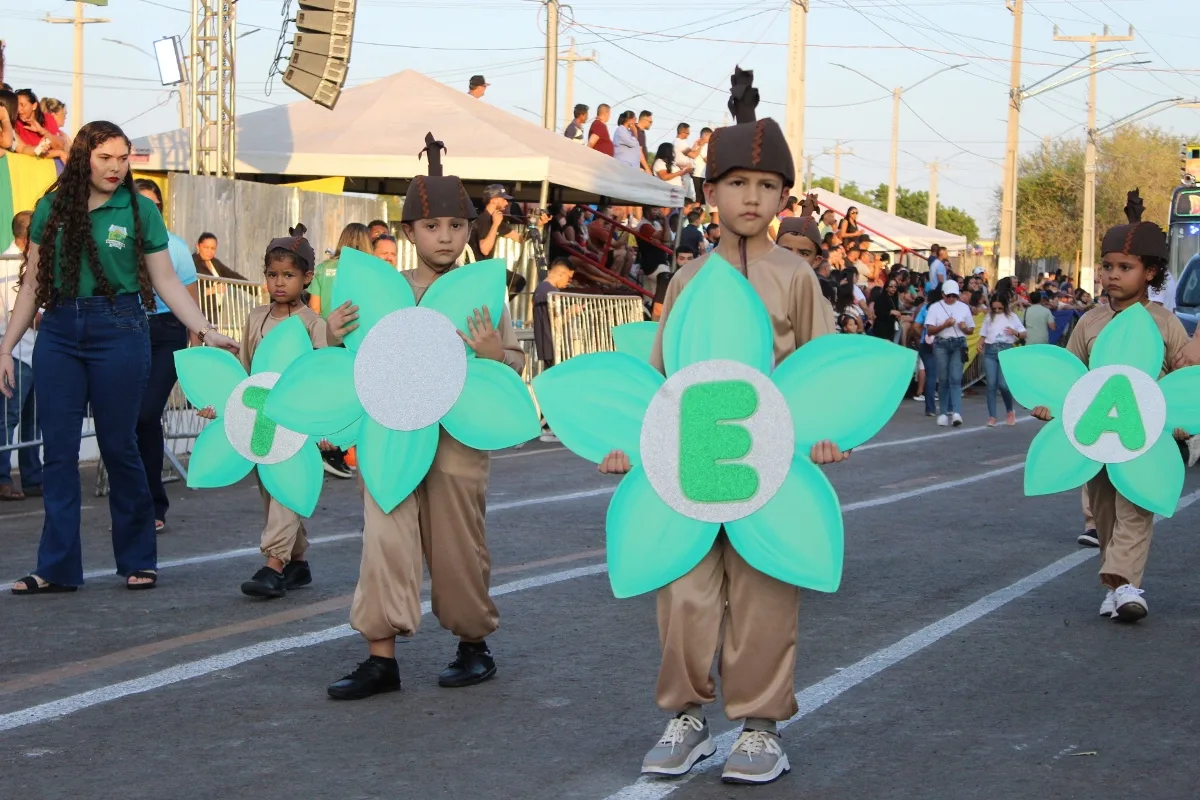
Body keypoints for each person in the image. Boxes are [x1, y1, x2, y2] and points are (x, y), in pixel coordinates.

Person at [597, 69, 843, 785]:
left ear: (784, 197)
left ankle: (761, 728)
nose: (752, 197)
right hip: (692, 463)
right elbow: (659, 377)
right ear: (710, 193)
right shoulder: (687, 279)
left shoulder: (796, 276)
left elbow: (824, 366)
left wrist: (830, 434)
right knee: (683, 593)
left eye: (767, 186)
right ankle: (687, 718)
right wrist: (627, 443)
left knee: (765, 594)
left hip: (772, 467)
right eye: (737, 184)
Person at [326, 132, 527, 700]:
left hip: (458, 441)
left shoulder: (480, 292)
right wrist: (330, 334)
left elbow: (513, 364)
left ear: (469, 230)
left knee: (458, 543)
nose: (445, 236)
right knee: (384, 541)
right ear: (409, 232)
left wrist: (495, 353)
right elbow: (346, 360)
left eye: (457, 226)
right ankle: (380, 657)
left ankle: (473, 645)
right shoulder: (383, 291)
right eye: (432, 226)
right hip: (390, 434)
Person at [4, 121, 238, 595]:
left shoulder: (139, 210)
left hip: (121, 328)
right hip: (59, 331)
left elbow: (167, 281)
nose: (116, 167)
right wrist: (5, 347)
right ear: (83, 159)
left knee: (119, 446)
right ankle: (55, 568)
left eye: (123, 158)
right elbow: (31, 284)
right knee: (59, 454)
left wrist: (206, 330)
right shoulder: (52, 208)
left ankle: (137, 559)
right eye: (105, 158)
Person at [1032, 190, 1188, 622]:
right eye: (1107, 266)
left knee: (1135, 508)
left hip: (1145, 439)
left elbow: (1184, 380)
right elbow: (1070, 377)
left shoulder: (1165, 322)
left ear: (1150, 272)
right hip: (1097, 438)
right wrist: (1049, 406)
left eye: (1125, 267)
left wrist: (1182, 423)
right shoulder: (1090, 322)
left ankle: (1126, 585)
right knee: (1104, 513)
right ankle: (1118, 588)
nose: (1112, 275)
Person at [222, 226, 334, 598]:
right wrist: (224, 408)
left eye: (288, 275)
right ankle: (297, 563)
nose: (280, 282)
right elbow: (244, 370)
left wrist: (324, 427)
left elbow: (323, 378)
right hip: (262, 423)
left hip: (297, 424)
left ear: (307, 278)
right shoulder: (256, 318)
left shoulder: (314, 325)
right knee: (271, 492)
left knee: (287, 488)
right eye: (273, 275)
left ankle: (273, 564)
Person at [132, 179, 198, 532]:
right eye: (141, 203)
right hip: (127, 330)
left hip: (166, 330)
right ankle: (135, 505)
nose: (149, 211)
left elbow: (189, 298)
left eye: (155, 205)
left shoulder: (175, 246)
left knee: (146, 414)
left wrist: (198, 342)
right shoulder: (118, 243)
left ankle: (154, 505)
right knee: (130, 419)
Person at [0, 210, 41, 501]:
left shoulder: (28, 261)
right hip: (15, 353)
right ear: (28, 237)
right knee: (7, 419)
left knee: (33, 421)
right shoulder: (8, 265)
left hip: (35, 352)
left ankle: (32, 479)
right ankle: (3, 479)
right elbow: (24, 313)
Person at [533, 259, 573, 443]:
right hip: (552, 345)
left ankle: (549, 425)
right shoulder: (550, 292)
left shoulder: (540, 290)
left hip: (546, 344)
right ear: (561, 273)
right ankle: (550, 426)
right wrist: (571, 312)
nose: (568, 283)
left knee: (552, 385)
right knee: (555, 386)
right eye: (569, 278)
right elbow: (555, 323)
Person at [924, 279, 974, 427]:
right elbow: (930, 330)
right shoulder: (935, 308)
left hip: (959, 344)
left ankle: (956, 412)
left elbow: (971, 329)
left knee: (956, 378)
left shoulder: (963, 307)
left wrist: (965, 328)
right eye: (948, 296)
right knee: (943, 379)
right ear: (943, 294)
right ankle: (943, 413)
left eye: (954, 296)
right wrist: (944, 325)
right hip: (941, 344)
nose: (951, 298)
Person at [977, 292, 1024, 427]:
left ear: (1005, 306)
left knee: (1003, 385)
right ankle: (992, 416)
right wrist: (980, 343)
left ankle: (1010, 410)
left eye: (1000, 308)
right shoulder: (988, 317)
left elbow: (1024, 333)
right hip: (990, 351)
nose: (997, 310)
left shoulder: (1012, 317)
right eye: (995, 308)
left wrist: (1015, 332)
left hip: (1005, 350)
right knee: (991, 385)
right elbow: (984, 334)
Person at [308, 222, 372, 319]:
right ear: (367, 243)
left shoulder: (323, 268)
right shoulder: (370, 270)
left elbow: (314, 308)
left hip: (328, 326)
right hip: (359, 325)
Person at [871, 278, 902, 342]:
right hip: (882, 327)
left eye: (895, 286)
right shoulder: (881, 298)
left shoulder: (895, 297)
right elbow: (878, 313)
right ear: (886, 288)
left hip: (891, 327)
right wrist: (890, 312)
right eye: (891, 286)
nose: (893, 288)